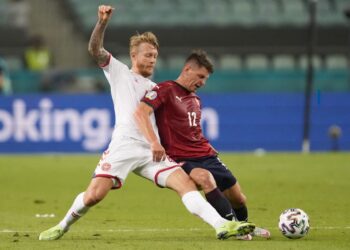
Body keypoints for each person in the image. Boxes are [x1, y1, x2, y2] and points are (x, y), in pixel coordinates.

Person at [38, 5, 254, 241]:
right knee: (94, 196)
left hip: (152, 152)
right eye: (148, 55)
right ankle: (63, 225)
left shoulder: (156, 89)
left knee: (185, 185)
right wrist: (101, 23)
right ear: (134, 56)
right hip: (124, 146)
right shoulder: (118, 72)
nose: (152, 60)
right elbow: (95, 49)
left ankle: (222, 225)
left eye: (155, 56)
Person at [135, 49, 270, 240]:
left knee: (238, 197)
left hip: (206, 154)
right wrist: (154, 142)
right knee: (205, 178)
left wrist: (206, 144)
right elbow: (142, 112)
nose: (202, 82)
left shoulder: (196, 99)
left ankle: (244, 224)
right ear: (187, 69)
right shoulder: (164, 89)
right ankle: (233, 226)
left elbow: (192, 129)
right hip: (181, 158)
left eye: (205, 79)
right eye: (200, 76)